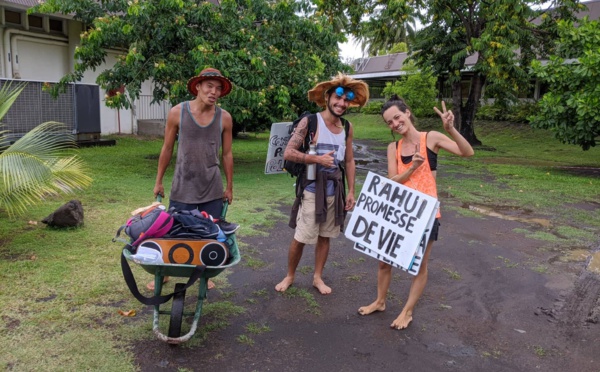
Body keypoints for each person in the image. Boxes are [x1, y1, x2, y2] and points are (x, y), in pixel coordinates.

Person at [358, 95, 474, 329]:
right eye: (389, 122)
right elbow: (393, 181)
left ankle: (407, 311)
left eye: (397, 117)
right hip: (398, 213)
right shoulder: (394, 147)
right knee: (383, 261)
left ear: (407, 113)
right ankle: (380, 301)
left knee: (419, 265)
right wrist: (413, 168)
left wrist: (451, 129)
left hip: (426, 214)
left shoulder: (430, 138)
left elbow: (467, 152)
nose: (394, 124)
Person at [275, 73, 369, 295]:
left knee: (326, 236)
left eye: (346, 100)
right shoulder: (311, 121)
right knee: (301, 237)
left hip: (334, 191)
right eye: (338, 98)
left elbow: (349, 160)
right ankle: (290, 275)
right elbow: (288, 152)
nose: (341, 103)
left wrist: (352, 191)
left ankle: (317, 277)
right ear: (327, 97)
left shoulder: (347, 126)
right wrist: (315, 158)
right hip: (310, 189)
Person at [149, 67, 237, 291]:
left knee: (210, 232)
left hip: (212, 186)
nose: (213, 92)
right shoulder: (178, 112)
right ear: (198, 87)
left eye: (218, 88)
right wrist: (159, 181)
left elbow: (227, 154)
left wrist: (229, 187)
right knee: (175, 230)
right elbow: (167, 148)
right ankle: (167, 272)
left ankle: (205, 274)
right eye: (209, 86)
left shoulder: (224, 118)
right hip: (183, 184)